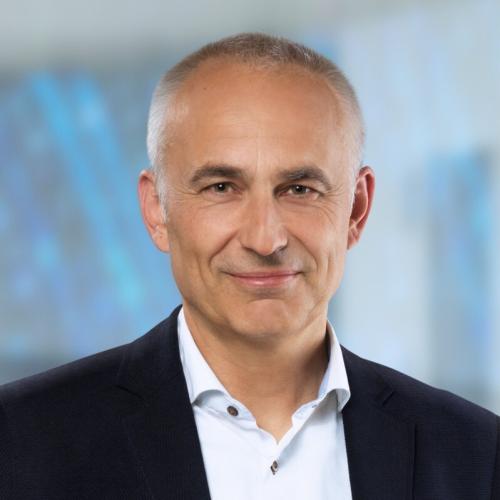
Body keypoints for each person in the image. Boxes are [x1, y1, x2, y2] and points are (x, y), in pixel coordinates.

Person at [0, 33, 498, 500]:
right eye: (221, 188)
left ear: (357, 209)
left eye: (300, 189)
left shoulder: (478, 456)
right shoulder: (20, 442)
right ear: (156, 211)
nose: (265, 239)